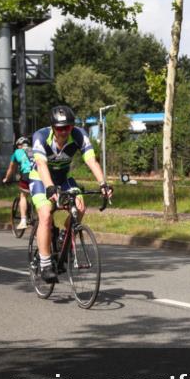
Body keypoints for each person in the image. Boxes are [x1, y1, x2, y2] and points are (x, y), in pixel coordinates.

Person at [30, 105, 112, 283]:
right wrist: (50, 188)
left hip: (63, 178)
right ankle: (45, 264)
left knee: (80, 208)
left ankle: (63, 237)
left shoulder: (79, 135)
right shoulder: (40, 136)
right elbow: (42, 165)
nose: (63, 132)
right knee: (45, 215)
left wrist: (103, 183)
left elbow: (91, 160)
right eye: (59, 128)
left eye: (67, 127)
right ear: (53, 127)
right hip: (40, 178)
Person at [2, 136, 34, 230]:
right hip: (38, 174)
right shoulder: (34, 150)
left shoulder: (17, 152)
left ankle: (23, 220)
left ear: (19, 145)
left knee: (23, 196)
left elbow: (11, 168)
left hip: (26, 175)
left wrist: (6, 178)